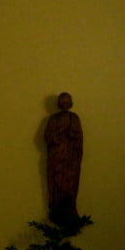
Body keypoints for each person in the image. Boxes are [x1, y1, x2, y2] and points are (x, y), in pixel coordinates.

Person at [43, 92, 83, 226]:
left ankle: (70, 209)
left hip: (71, 159)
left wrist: (72, 135)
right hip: (57, 158)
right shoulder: (53, 119)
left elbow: (79, 138)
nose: (65, 105)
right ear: (59, 104)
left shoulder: (74, 118)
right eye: (62, 102)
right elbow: (47, 136)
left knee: (70, 184)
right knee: (57, 182)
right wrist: (55, 138)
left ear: (71, 104)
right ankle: (57, 209)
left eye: (67, 102)